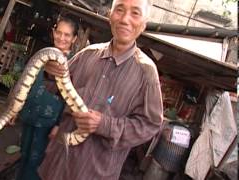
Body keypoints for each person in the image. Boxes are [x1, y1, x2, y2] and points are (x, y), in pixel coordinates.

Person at [39, 0, 163, 180]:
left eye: (135, 13)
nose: (125, 19)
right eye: (119, 10)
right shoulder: (87, 54)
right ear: (110, 16)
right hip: (57, 165)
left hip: (94, 172)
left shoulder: (147, 73)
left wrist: (104, 125)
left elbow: (150, 124)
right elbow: (55, 89)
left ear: (143, 24)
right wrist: (51, 73)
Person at [16, 15, 78, 180]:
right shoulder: (41, 56)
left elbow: (70, 99)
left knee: (37, 164)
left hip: (48, 124)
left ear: (74, 39)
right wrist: (16, 109)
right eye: (59, 32)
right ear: (53, 32)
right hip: (29, 115)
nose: (61, 38)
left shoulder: (73, 64)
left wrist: (59, 125)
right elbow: (26, 84)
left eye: (67, 35)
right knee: (23, 155)